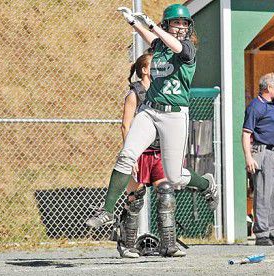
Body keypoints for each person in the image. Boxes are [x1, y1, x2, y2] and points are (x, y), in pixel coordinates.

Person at [86, 4, 218, 257]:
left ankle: (205, 184)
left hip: (174, 114)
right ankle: (107, 211)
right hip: (150, 110)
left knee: (176, 177)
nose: (180, 27)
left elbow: (175, 46)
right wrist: (133, 23)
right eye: (175, 23)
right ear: (168, 24)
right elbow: (154, 40)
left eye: (183, 23)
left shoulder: (188, 48)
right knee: (127, 155)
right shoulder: (159, 46)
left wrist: (154, 26)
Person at [117, 52, 167, 258]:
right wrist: (131, 155)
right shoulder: (134, 94)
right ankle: (127, 245)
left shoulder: (161, 92)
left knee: (165, 195)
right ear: (145, 70)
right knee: (135, 198)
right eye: (154, 65)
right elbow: (126, 125)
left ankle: (168, 245)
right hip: (140, 152)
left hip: (157, 151)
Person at [242, 72, 274, 246]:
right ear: (269, 88)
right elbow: (246, 133)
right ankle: (262, 233)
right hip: (263, 153)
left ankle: (272, 231)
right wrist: (248, 156)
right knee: (263, 193)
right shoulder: (255, 106)